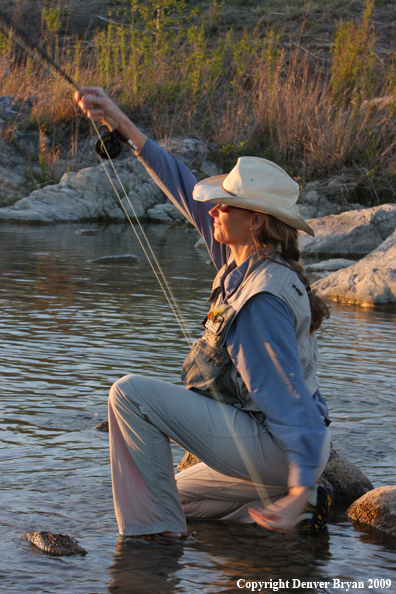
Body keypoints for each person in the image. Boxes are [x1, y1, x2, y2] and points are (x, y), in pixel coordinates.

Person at [76, 87, 332, 539]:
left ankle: (151, 543)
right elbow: (180, 182)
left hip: (280, 447)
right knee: (169, 491)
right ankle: (292, 507)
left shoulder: (261, 298)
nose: (212, 208)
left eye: (224, 204)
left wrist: (300, 481)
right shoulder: (244, 257)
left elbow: (285, 398)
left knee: (129, 394)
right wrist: (119, 120)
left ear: (254, 220)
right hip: (276, 447)